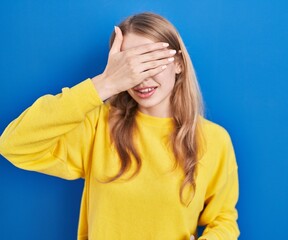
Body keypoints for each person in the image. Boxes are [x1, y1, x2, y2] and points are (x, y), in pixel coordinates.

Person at [0, 12, 240, 239]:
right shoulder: (99, 127)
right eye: (130, 66)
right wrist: (105, 83)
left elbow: (223, 218)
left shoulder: (214, 139)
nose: (141, 78)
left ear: (178, 63)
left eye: (150, 62)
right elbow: (13, 144)